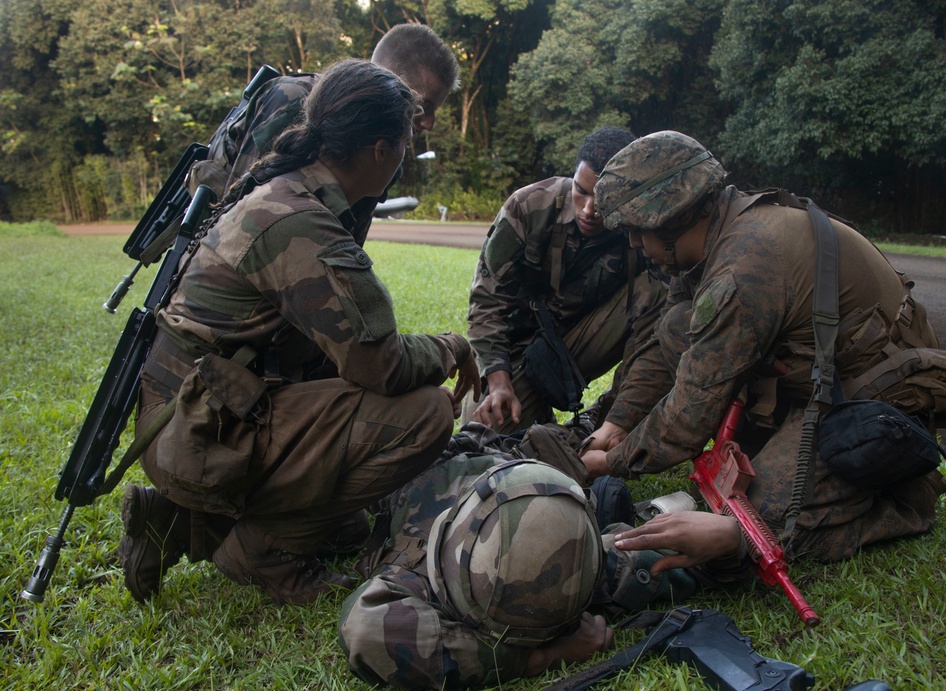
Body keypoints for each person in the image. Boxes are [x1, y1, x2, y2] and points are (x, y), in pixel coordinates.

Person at [117, 59, 480, 606]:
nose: (405, 157)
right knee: (425, 414)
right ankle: (261, 553)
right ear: (380, 150)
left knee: (350, 522)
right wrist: (452, 347)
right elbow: (378, 365)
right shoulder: (299, 223)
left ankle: (177, 520)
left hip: (193, 417)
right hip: (196, 433)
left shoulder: (285, 190)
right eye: (404, 144)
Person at [580, 130, 946, 574]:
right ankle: (773, 443)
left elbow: (688, 414)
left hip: (873, 405)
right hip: (820, 381)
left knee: (743, 528)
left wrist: (612, 462)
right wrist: (618, 423)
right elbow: (661, 352)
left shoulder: (744, 265)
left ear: (670, 218)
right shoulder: (713, 235)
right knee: (675, 323)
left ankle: (899, 499)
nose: (632, 244)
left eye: (635, 230)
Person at [338, 424, 699, 687]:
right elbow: (365, 630)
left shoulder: (587, 564)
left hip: (514, 465)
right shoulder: (414, 575)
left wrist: (731, 540)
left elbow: (689, 559)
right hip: (427, 463)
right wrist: (543, 656)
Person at [465, 126, 667, 434]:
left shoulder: (638, 225)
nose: (588, 210)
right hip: (517, 350)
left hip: (577, 343)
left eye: (602, 200)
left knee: (658, 294)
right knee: (486, 435)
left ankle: (604, 420)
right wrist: (499, 383)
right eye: (581, 191)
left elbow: (678, 302)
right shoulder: (528, 206)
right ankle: (533, 406)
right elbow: (486, 302)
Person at [189, 22, 459, 245]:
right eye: (424, 106)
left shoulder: (386, 152)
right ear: (388, 78)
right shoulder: (293, 99)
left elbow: (348, 242)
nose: (429, 123)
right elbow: (238, 214)